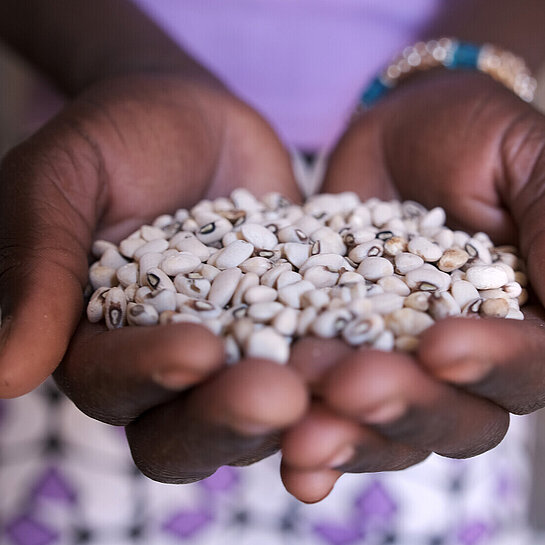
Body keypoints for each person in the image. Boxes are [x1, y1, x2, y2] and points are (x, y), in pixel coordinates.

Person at [1, 1, 545, 543]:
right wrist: (126, 68)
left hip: (438, 191)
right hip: (131, 189)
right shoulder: (147, 254)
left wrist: (456, 77)